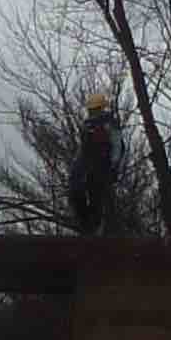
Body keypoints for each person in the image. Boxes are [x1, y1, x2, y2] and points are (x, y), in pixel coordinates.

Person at [66, 90, 122, 234]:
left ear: (101, 108)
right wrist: (76, 167)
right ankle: (85, 222)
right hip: (87, 163)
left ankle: (93, 225)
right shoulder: (87, 125)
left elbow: (117, 146)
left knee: (95, 194)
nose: (93, 112)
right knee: (76, 189)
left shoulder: (109, 124)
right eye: (91, 110)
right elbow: (82, 149)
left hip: (101, 163)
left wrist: (114, 166)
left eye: (95, 109)